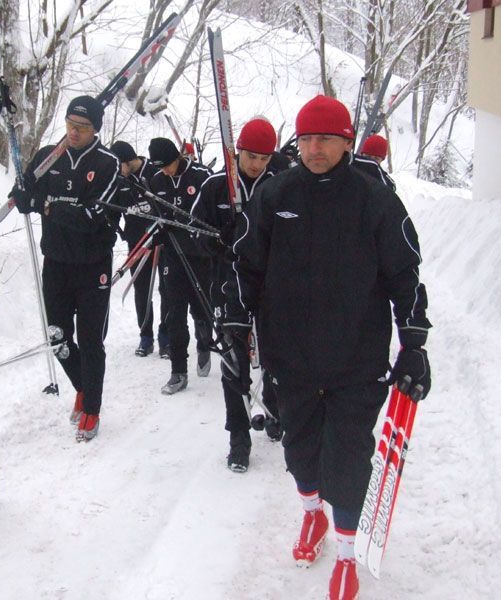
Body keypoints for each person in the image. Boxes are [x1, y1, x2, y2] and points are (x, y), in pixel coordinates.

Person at [223, 95, 432, 600]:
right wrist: (234, 319)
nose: (315, 149)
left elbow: (405, 276)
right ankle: (311, 515)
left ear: (347, 141)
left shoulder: (374, 198)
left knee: (349, 456)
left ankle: (345, 556)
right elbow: (245, 264)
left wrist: (414, 345)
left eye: (327, 139)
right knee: (300, 452)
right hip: (290, 353)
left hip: (355, 357)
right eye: (307, 140)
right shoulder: (275, 194)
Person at [10, 95, 118, 442]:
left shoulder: (107, 164)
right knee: (56, 337)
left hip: (93, 265)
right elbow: (25, 197)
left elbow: (92, 217)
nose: (73, 132)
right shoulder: (48, 156)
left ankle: (92, 407)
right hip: (56, 261)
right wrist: (25, 196)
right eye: (70, 125)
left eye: (82, 128)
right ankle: (82, 387)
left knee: (90, 339)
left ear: (95, 129)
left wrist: (50, 207)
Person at [191, 117, 287, 473]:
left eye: (264, 158)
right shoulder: (217, 186)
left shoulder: (280, 187)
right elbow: (193, 232)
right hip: (227, 289)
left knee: (277, 357)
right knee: (234, 364)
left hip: (271, 288)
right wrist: (218, 238)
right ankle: (239, 439)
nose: (256, 164)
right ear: (237, 151)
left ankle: (276, 411)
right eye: (250, 156)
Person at [147, 137, 213, 394]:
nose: (165, 171)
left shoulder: (201, 176)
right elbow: (155, 218)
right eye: (160, 167)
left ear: (178, 157)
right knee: (174, 312)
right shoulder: (156, 182)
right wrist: (158, 232)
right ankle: (178, 372)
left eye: (167, 165)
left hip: (200, 255)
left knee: (200, 307)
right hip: (173, 255)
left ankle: (204, 343)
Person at [109, 141, 170, 358]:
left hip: (163, 241)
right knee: (141, 289)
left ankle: (166, 337)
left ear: (127, 160)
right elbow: (113, 211)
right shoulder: (120, 181)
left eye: (119, 166)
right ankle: (146, 337)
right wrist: (115, 229)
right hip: (137, 243)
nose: (117, 171)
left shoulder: (154, 171)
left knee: (167, 289)